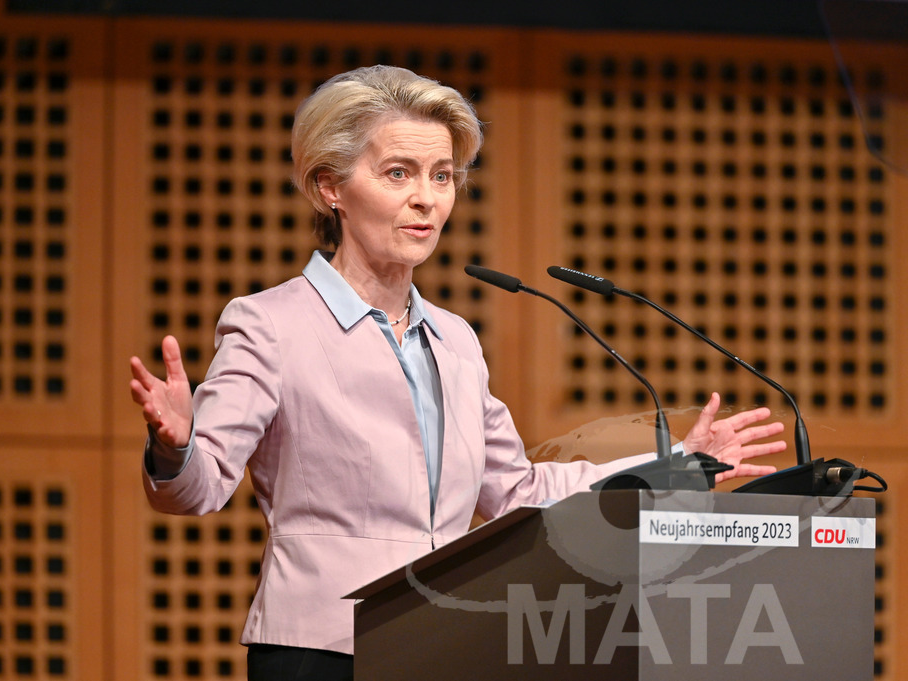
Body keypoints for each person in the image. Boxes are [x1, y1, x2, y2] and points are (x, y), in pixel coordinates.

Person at [129, 65, 785, 681]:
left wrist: (679, 466)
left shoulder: (455, 340)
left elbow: (518, 490)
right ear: (331, 186)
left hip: (443, 640)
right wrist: (176, 443)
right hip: (325, 649)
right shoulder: (271, 324)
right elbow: (198, 488)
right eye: (398, 173)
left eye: (442, 176)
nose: (426, 199)